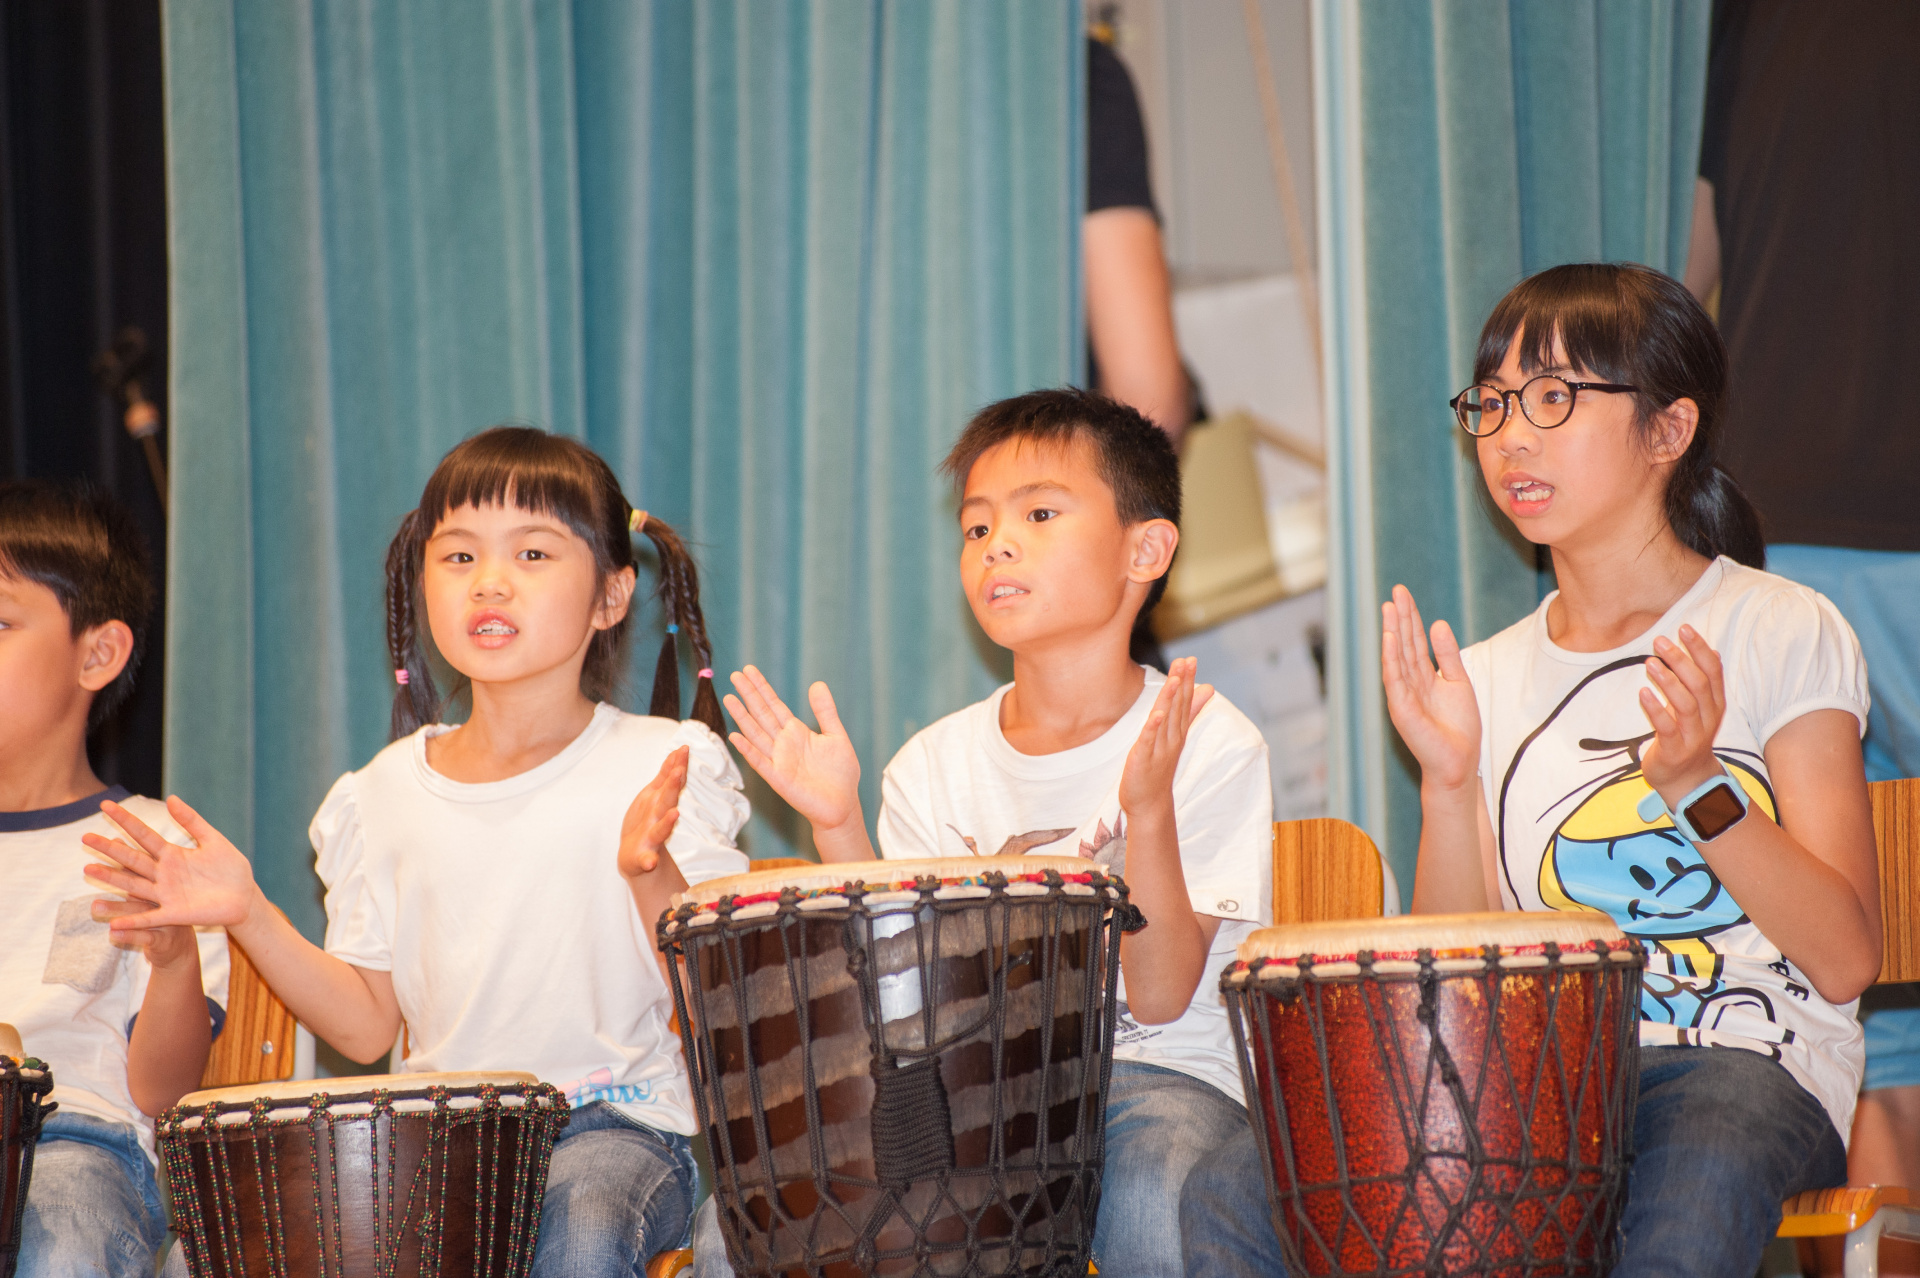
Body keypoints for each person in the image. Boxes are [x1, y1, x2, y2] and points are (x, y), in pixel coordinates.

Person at [1181, 263, 1878, 1277]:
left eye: (1554, 397)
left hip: (1742, 1064)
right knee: (1240, 1182)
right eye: (1493, 403)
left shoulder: (1778, 627)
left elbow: (1846, 960)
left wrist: (1697, 786)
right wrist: (1447, 781)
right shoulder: (1487, 676)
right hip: (1532, 1081)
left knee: (1693, 1185)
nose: (1511, 435)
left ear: (1668, 430)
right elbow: (1449, 990)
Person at [84, 428, 749, 1278]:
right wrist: (249, 911)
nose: (490, 581)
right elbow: (367, 1026)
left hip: (611, 1127)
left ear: (611, 596)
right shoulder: (382, 793)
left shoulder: (665, 764)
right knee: (228, 1252)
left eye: (533, 553)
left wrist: (651, 872)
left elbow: (720, 1004)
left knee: (580, 1233)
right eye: (459, 556)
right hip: (438, 1135)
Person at [691, 388, 1273, 1278]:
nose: (997, 543)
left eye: (1039, 514)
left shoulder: (1206, 737)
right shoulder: (932, 764)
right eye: (976, 526)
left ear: (1145, 550)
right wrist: (837, 821)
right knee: (743, 1223)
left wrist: (1149, 810)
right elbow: (898, 1002)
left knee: (1152, 1193)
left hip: (1155, 1082)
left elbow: (1158, 998)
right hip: (970, 1095)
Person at [1686, 8, 1920, 1271]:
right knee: (1857, 963)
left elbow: (1678, 266)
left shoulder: (1738, 18)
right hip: (1795, 539)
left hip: (1789, 528)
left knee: (1873, 1001)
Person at [0, 480, 229, 1278]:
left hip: (74, 1144)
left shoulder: (156, 848)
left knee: (56, 1246)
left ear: (97, 654)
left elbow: (165, 1095)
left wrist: (174, 959)